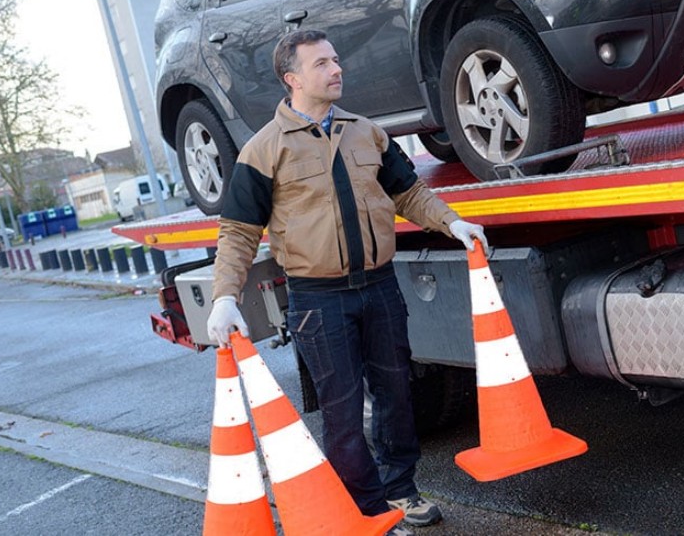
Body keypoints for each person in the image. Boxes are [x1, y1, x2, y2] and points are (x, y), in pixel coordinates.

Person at [205, 29, 486, 533]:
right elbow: (239, 231)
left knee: (396, 392)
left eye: (336, 60)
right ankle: (369, 511)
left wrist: (452, 222)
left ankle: (401, 490)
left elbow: (409, 193)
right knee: (342, 411)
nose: (337, 70)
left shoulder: (367, 132)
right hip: (319, 300)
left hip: (379, 287)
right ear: (292, 78)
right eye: (322, 64)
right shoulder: (263, 150)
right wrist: (225, 297)